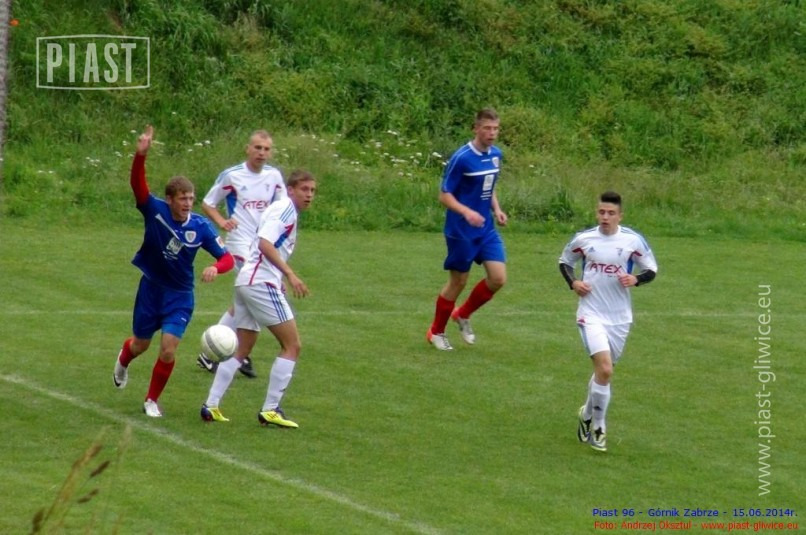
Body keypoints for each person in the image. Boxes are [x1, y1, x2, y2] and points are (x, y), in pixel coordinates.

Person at [112, 125, 234, 418]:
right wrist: (140, 156)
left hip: (180, 295)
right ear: (169, 199)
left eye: (191, 199)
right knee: (140, 344)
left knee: (168, 348)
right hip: (151, 289)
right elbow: (138, 186)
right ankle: (123, 360)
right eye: (182, 199)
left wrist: (215, 267)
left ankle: (151, 400)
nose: (188, 204)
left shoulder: (200, 226)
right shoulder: (155, 211)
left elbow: (228, 258)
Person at [200, 169, 316, 428]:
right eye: (304, 189)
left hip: (248, 281)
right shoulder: (285, 209)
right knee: (292, 345)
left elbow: (260, 243)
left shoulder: (280, 209)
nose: (309, 195)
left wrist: (277, 276)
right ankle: (271, 409)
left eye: (312, 191)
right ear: (290, 190)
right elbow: (265, 243)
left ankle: (211, 405)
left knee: (243, 348)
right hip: (259, 283)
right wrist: (289, 275)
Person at [558, 191, 658, 452]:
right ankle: (599, 428)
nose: (605, 217)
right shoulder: (584, 239)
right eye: (601, 212)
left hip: (620, 317)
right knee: (605, 369)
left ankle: (586, 413)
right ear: (597, 213)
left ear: (620, 216)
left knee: (604, 372)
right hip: (590, 313)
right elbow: (565, 262)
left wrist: (636, 279)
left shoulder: (632, 241)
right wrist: (574, 282)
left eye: (611, 213)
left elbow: (651, 269)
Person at [196, 130, 287, 378]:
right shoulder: (233, 175)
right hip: (239, 243)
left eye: (266, 149)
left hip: (261, 245)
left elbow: (282, 208)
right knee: (254, 292)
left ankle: (216, 350)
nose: (261, 153)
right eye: (257, 147)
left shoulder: (274, 176)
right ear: (248, 149)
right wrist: (221, 221)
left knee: (244, 300)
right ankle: (236, 352)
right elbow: (208, 202)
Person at [427, 108, 508, 351]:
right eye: (487, 128)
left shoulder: (496, 155)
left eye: (495, 128)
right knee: (458, 282)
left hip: (486, 229)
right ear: (476, 128)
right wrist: (466, 212)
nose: (492, 133)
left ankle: (462, 314)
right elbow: (444, 195)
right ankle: (436, 332)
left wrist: (496, 209)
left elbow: (488, 186)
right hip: (461, 231)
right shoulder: (461, 158)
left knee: (498, 278)